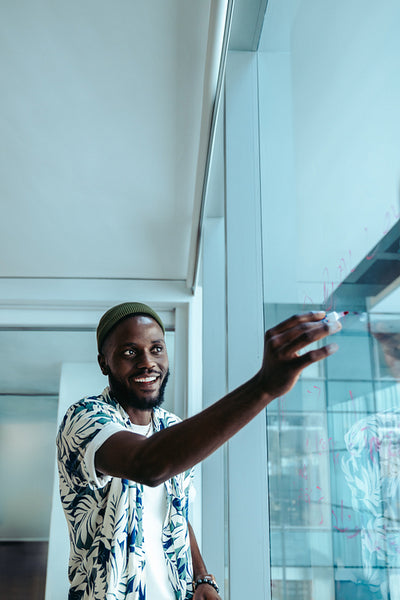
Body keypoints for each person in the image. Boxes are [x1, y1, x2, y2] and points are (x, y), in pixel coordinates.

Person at [57, 302, 341, 600]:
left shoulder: (171, 427)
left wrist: (202, 577)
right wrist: (263, 388)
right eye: (130, 352)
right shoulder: (85, 418)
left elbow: (175, 511)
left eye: (156, 349)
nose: (147, 362)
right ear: (104, 364)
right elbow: (147, 465)